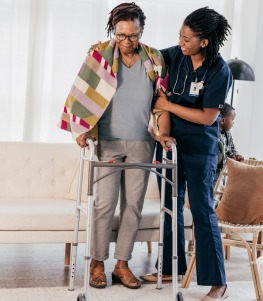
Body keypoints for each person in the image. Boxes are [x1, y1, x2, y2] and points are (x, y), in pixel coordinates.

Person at [58, 2, 166, 290]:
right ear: (113, 31)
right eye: (121, 35)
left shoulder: (154, 58)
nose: (127, 42)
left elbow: (161, 99)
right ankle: (97, 262)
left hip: (142, 142)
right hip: (107, 141)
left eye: (133, 35)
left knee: (133, 206)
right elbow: (80, 93)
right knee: (104, 204)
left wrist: (162, 132)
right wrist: (82, 129)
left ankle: (122, 264)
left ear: (142, 31)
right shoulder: (99, 55)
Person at [140, 7, 232, 301]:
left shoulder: (219, 70)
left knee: (203, 212)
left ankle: (218, 284)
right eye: (180, 35)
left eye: (187, 38)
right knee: (170, 208)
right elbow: (144, 54)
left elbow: (208, 118)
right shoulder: (173, 56)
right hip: (169, 145)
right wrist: (103, 49)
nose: (181, 42)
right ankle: (169, 269)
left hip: (200, 150)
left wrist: (168, 106)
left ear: (204, 41)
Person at [215, 103, 244, 184]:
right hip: (212, 171)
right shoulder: (212, 135)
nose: (233, 123)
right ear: (223, 120)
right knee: (211, 193)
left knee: (220, 192)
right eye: (232, 120)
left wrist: (235, 155)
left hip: (222, 172)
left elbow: (231, 150)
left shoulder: (227, 134)